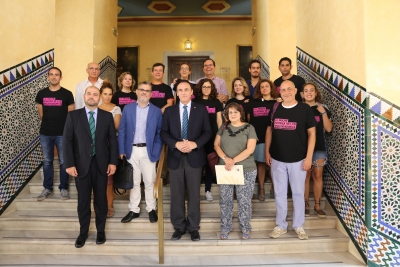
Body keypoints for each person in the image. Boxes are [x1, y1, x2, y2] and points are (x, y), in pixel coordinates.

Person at [63, 86, 118, 248]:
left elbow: (112, 141)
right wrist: (69, 164)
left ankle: (100, 231)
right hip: (80, 166)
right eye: (89, 94)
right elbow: (67, 141)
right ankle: (83, 232)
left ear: (99, 97)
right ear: (84, 95)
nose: (92, 97)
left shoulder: (107, 117)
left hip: (101, 164)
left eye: (95, 94)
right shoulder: (73, 116)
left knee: (101, 200)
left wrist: (113, 162)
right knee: (83, 200)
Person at [161, 80, 212, 242]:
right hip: (176, 156)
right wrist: (176, 144)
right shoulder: (169, 111)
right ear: (176, 92)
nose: (183, 92)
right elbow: (164, 133)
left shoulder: (201, 109)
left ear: (191, 92)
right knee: (176, 194)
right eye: (180, 90)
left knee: (194, 194)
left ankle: (193, 227)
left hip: (194, 156)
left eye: (186, 90)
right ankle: (179, 226)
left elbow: (207, 132)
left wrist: (194, 144)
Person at [265, 80, 316, 240]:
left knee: (298, 193)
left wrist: (308, 158)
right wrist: (267, 151)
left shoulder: (304, 109)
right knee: (279, 193)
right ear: (279, 92)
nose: (286, 92)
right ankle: (281, 225)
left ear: (295, 91)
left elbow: (312, 134)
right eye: (283, 89)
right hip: (277, 159)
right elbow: (269, 131)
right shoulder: (275, 108)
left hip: (298, 160)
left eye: (289, 89)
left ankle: (298, 225)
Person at [119, 81, 163, 224]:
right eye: (142, 90)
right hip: (131, 150)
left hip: (148, 151)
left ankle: (151, 209)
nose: (144, 92)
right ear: (136, 91)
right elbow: (122, 130)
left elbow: (159, 133)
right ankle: (134, 210)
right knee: (134, 181)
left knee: (149, 182)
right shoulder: (128, 108)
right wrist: (122, 150)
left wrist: (156, 150)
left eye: (147, 91)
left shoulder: (156, 111)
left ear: (151, 94)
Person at [214, 102, 257, 240]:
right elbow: (216, 144)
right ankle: (225, 227)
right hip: (226, 168)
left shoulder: (249, 128)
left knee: (244, 200)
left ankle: (245, 227)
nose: (232, 114)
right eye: (229, 112)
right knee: (225, 200)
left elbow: (250, 149)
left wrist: (233, 160)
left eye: (235, 112)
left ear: (241, 113)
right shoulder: (223, 127)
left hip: (246, 169)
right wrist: (226, 159)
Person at [35, 67, 74, 201]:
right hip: (45, 133)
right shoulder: (41, 94)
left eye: (56, 75)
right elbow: (41, 114)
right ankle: (47, 189)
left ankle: (64, 188)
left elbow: (71, 116)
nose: (54, 77)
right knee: (47, 161)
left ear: (60, 77)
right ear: (48, 77)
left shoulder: (67, 94)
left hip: (62, 133)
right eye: (51, 74)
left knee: (64, 161)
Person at [246, 79, 279, 201]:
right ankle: (261, 188)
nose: (264, 88)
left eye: (267, 86)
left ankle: (273, 187)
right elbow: (248, 120)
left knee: (273, 165)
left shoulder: (277, 103)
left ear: (271, 88)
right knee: (261, 163)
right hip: (258, 137)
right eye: (262, 87)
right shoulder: (252, 103)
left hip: (275, 138)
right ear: (259, 89)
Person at [303, 83, 332, 218]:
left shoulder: (323, 108)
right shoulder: (299, 108)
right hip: (302, 149)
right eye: (306, 91)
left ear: (315, 93)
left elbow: (328, 129)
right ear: (302, 94)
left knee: (318, 176)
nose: (309, 93)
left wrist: (323, 113)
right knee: (305, 177)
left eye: (311, 90)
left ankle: (317, 205)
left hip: (319, 147)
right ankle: (305, 204)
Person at [193, 79, 223, 201]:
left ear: (212, 89)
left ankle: (208, 190)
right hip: (198, 138)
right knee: (199, 162)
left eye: (208, 87)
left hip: (212, 137)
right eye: (204, 87)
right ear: (200, 88)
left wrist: (219, 136)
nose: (206, 89)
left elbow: (219, 120)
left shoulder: (216, 102)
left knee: (211, 162)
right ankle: (194, 190)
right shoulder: (195, 101)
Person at [98, 80, 122, 218]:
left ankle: (109, 205)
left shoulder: (116, 108)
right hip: (97, 145)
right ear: (100, 95)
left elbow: (116, 127)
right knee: (97, 176)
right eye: (105, 94)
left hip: (111, 144)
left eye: (109, 94)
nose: (107, 96)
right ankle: (99, 204)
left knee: (109, 177)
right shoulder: (95, 107)